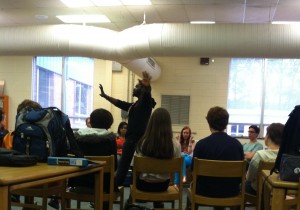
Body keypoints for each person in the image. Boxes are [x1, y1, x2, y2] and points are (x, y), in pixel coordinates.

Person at [99, 71, 156, 188]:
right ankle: (119, 188)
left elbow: (146, 96)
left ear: (142, 90)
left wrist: (147, 88)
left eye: (137, 87)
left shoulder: (145, 102)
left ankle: (113, 189)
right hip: (134, 139)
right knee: (127, 167)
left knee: (124, 167)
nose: (134, 89)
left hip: (135, 140)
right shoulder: (135, 104)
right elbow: (120, 103)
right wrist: (105, 96)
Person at [68, 108, 117, 209]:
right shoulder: (110, 139)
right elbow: (114, 166)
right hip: (103, 185)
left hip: (78, 182)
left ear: (91, 121)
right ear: (109, 123)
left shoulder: (77, 137)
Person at [132, 107, 181, 208]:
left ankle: (131, 203)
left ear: (151, 123)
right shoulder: (175, 144)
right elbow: (175, 168)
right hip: (163, 185)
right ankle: (158, 204)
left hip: (143, 185)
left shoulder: (143, 142)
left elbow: (134, 166)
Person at [192, 106, 244, 201]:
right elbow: (241, 176)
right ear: (226, 123)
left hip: (204, 191)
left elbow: (193, 171)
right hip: (231, 191)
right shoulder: (237, 145)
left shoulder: (201, 145)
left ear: (209, 123)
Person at [245, 123, 284, 195]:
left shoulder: (260, 155)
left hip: (259, 190)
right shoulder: (286, 156)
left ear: (268, 136)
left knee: (241, 186)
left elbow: (249, 178)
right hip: (279, 191)